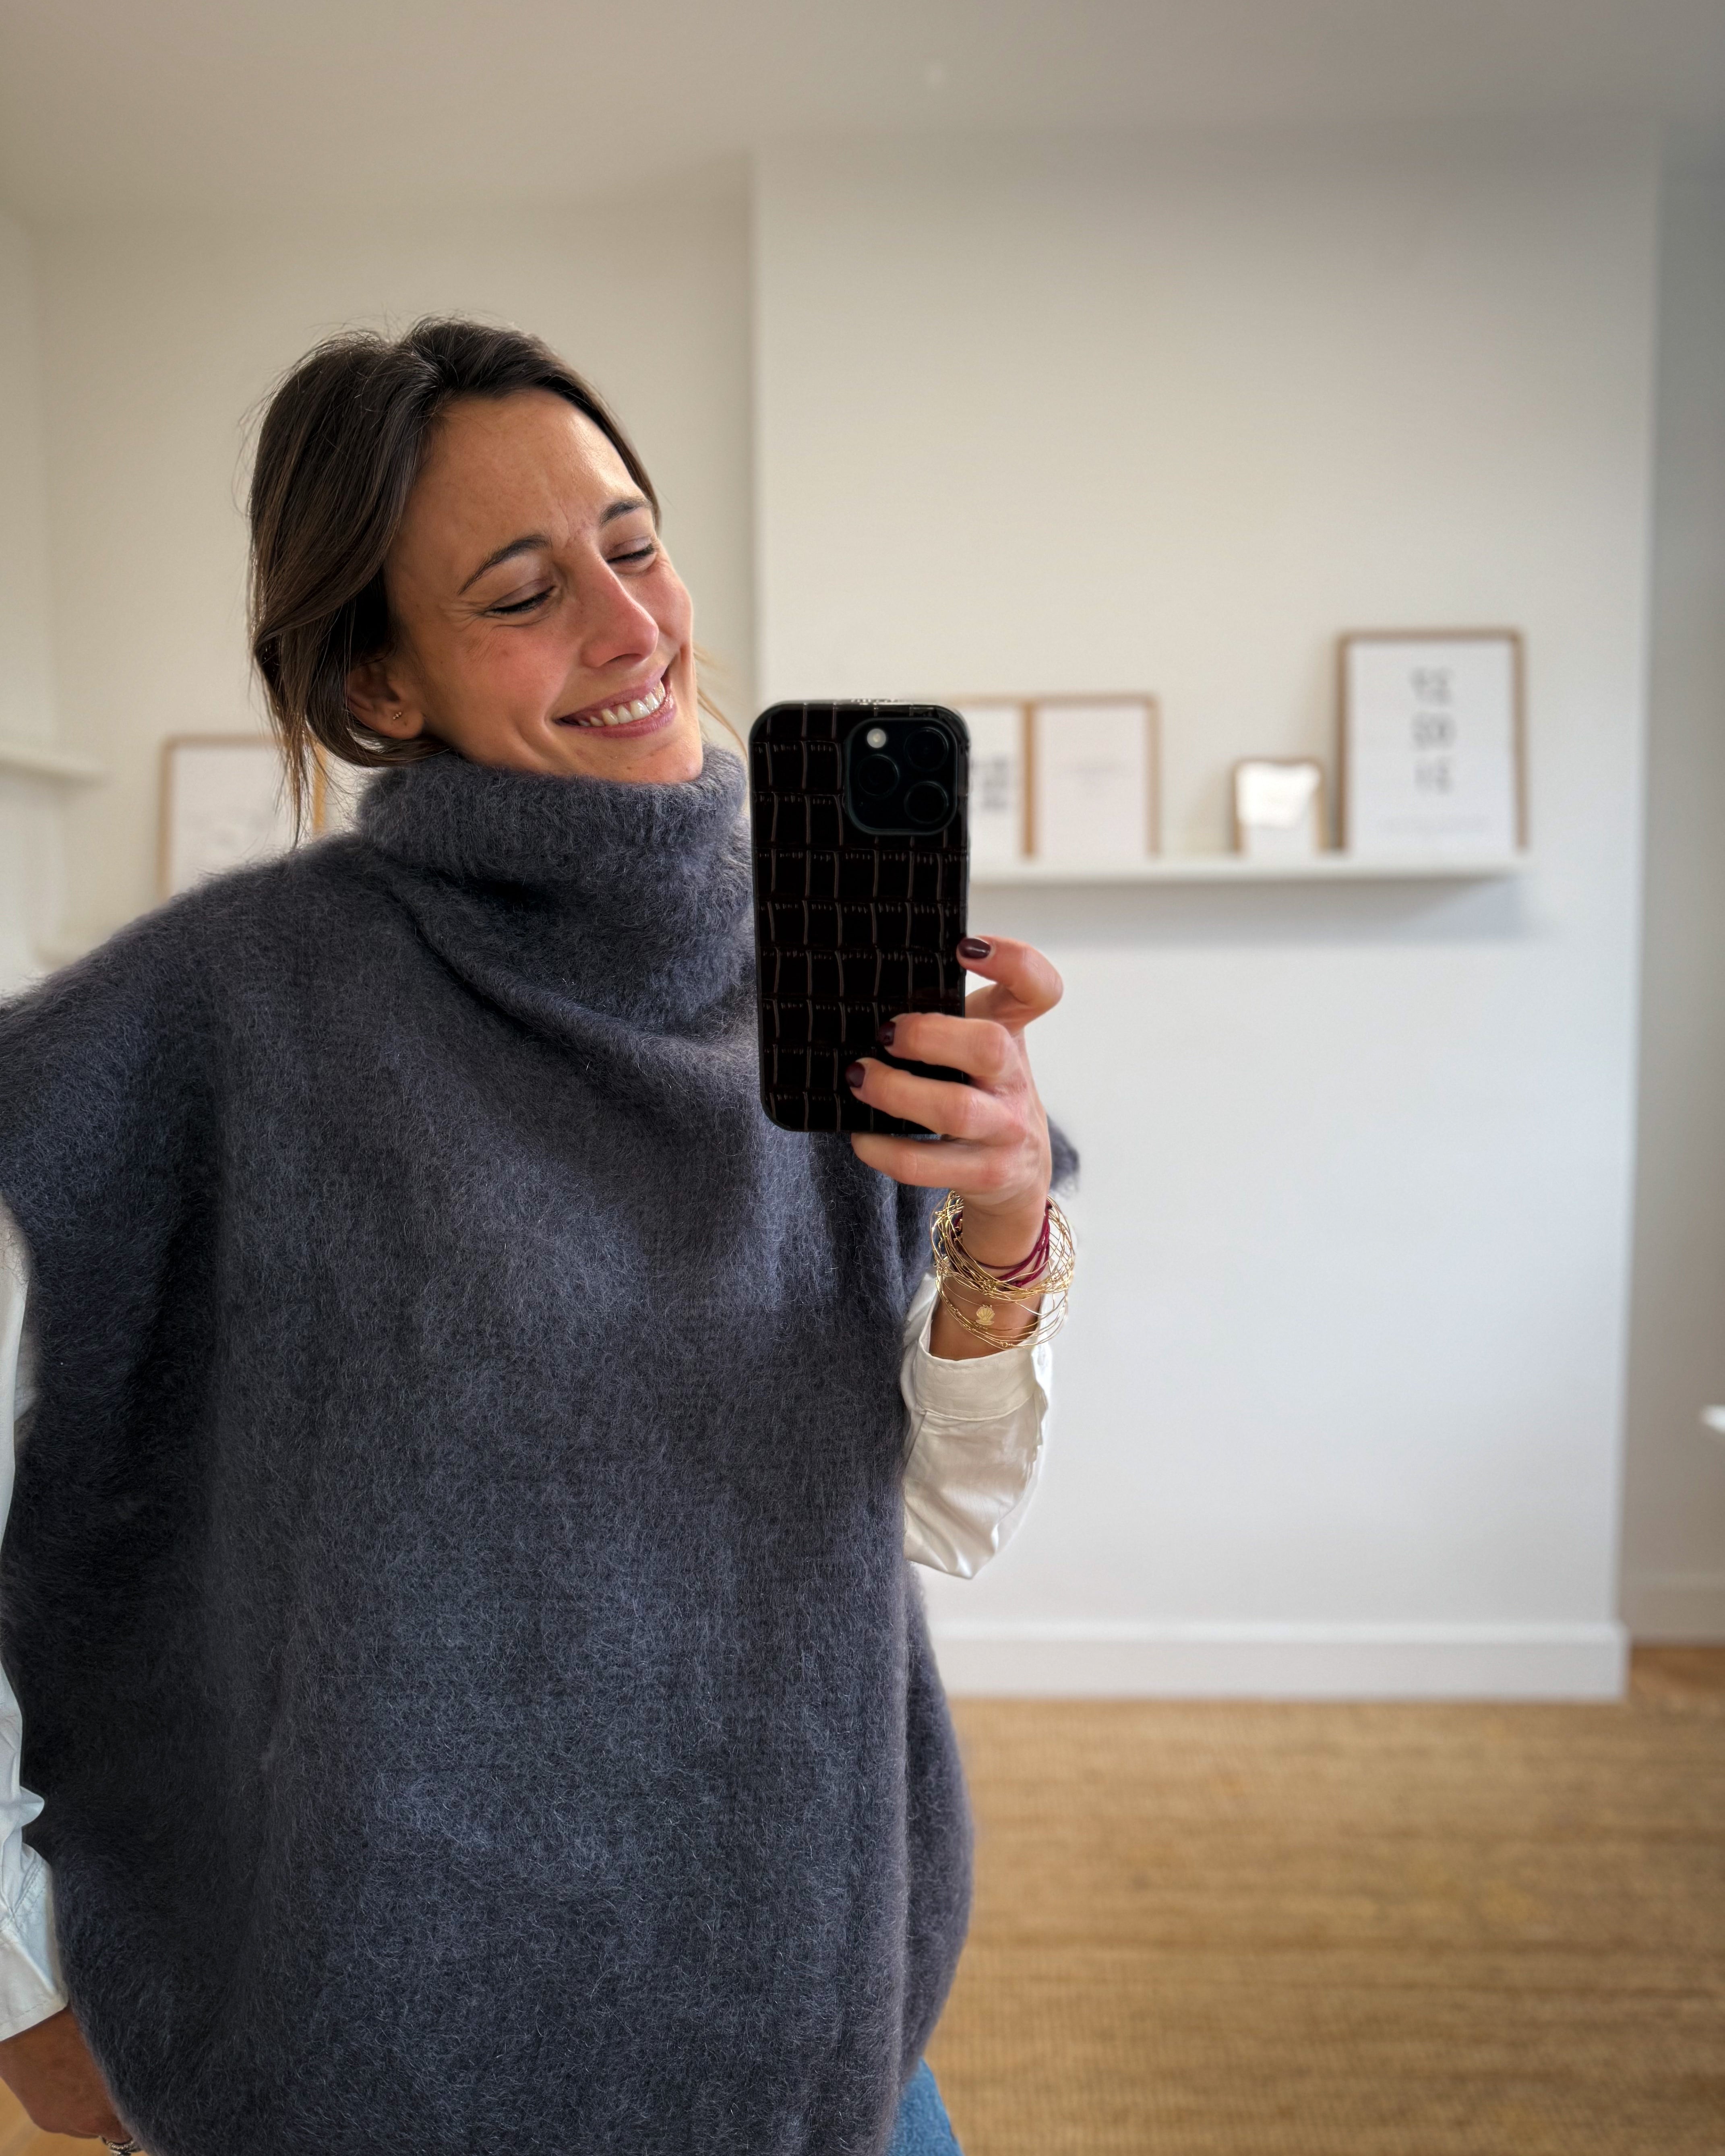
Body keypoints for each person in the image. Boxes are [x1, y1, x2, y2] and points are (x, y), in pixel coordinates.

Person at [0, 318, 1073, 2154]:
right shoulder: (222, 1015)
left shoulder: (817, 985)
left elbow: (935, 1516)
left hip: (810, 2010)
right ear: (380, 680)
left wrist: (1003, 1218)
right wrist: (21, 1981)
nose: (631, 624)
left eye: (633, 543)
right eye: (522, 592)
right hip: (370, 2045)